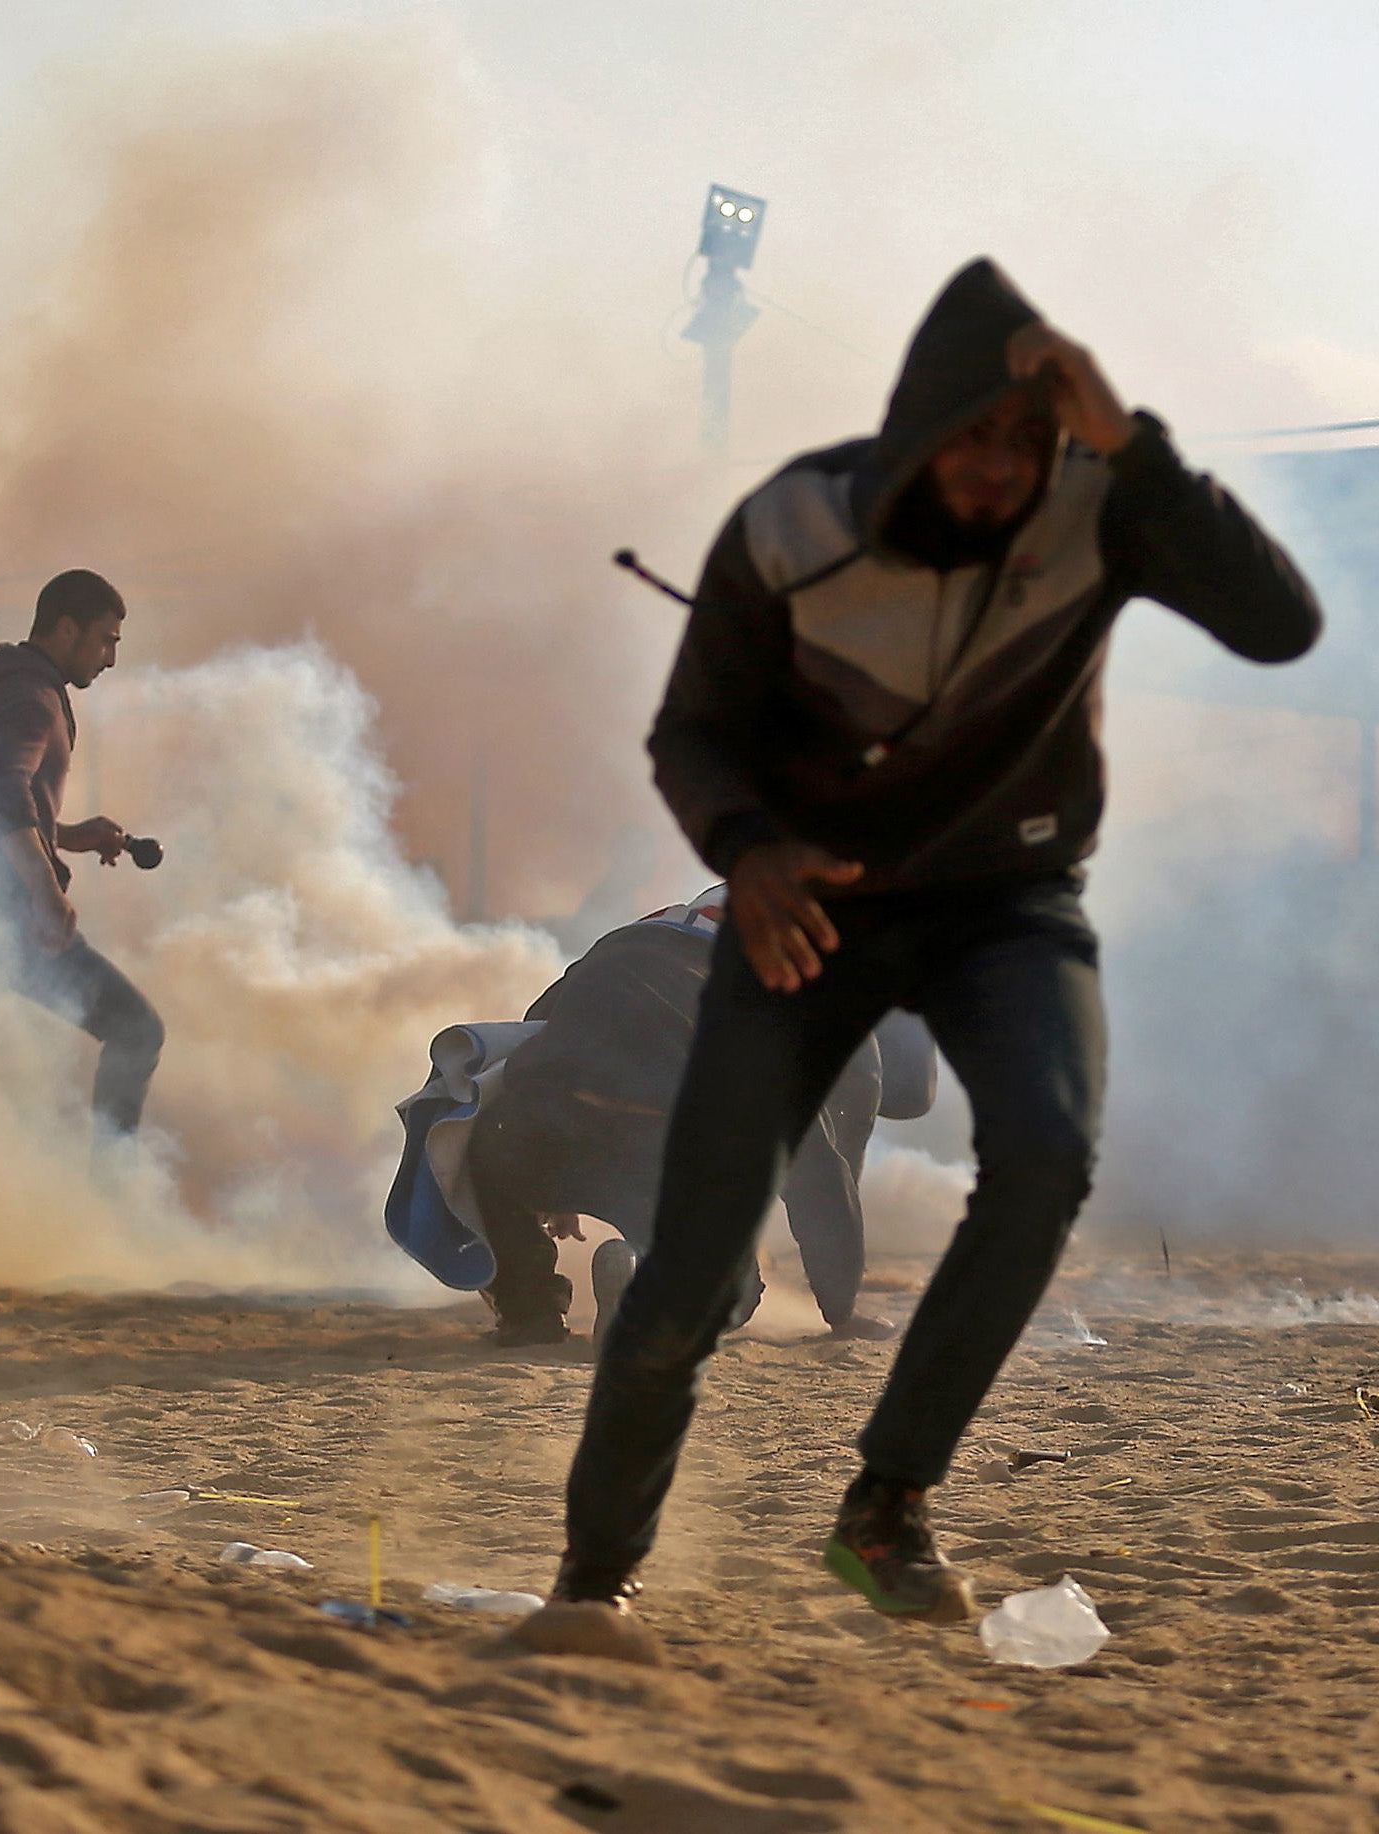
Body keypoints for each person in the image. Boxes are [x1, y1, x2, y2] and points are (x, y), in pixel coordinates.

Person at [547, 259, 1321, 1626]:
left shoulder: (1102, 510)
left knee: (1044, 1151)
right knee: (694, 1267)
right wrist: (747, 847)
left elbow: (1278, 625)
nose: (1002, 467)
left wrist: (1131, 441)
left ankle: (885, 1503)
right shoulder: (792, 523)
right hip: (812, 906)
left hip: (1005, 903)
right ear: (917, 427)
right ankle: (592, 1580)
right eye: (977, 434)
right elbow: (692, 732)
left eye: (1029, 440)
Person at [411, 887, 936, 1348]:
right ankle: (641, 1283)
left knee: (492, 1149)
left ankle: (529, 1318)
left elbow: (535, 1024)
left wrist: (553, 1180)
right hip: (660, 1142)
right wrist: (841, 1307)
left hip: (540, 1126)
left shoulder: (637, 936)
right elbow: (818, 1165)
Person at [0, 569, 164, 1152]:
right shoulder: (30, 698)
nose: (110, 658)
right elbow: (1, 793)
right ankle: (113, 1194)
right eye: (106, 640)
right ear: (66, 629)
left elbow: (2, 806)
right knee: (135, 1031)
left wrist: (71, 835)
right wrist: (45, 894)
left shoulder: (13, 684)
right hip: (5, 920)